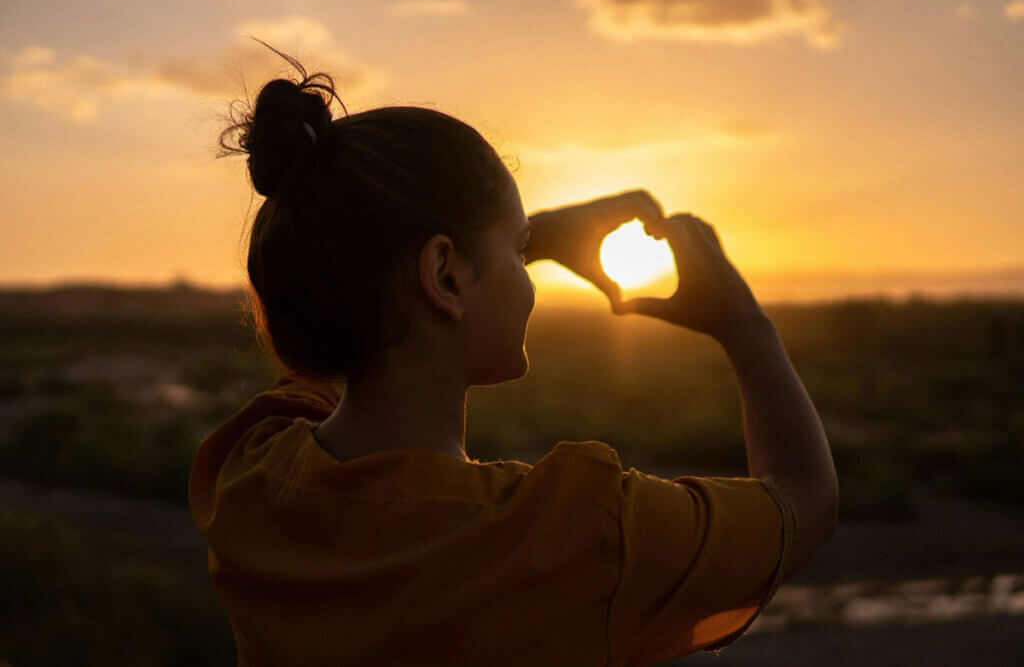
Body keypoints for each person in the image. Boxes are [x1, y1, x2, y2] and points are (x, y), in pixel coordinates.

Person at [189, 44, 838, 667]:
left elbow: (350, 308)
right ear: (443, 275)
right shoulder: (575, 535)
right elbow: (804, 501)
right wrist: (744, 324)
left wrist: (509, 240)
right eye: (518, 248)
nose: (528, 273)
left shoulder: (250, 475)